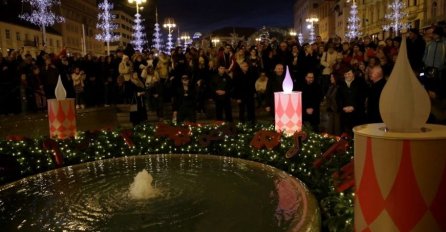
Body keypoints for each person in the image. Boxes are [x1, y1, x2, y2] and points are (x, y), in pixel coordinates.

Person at [336, 66, 367, 135]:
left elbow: (362, 98)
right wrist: (342, 107)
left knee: (357, 134)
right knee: (345, 134)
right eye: (345, 74)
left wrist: (354, 107)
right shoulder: (340, 85)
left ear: (353, 74)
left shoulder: (360, 83)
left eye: (349, 73)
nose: (347, 76)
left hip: (357, 114)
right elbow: (338, 98)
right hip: (345, 114)